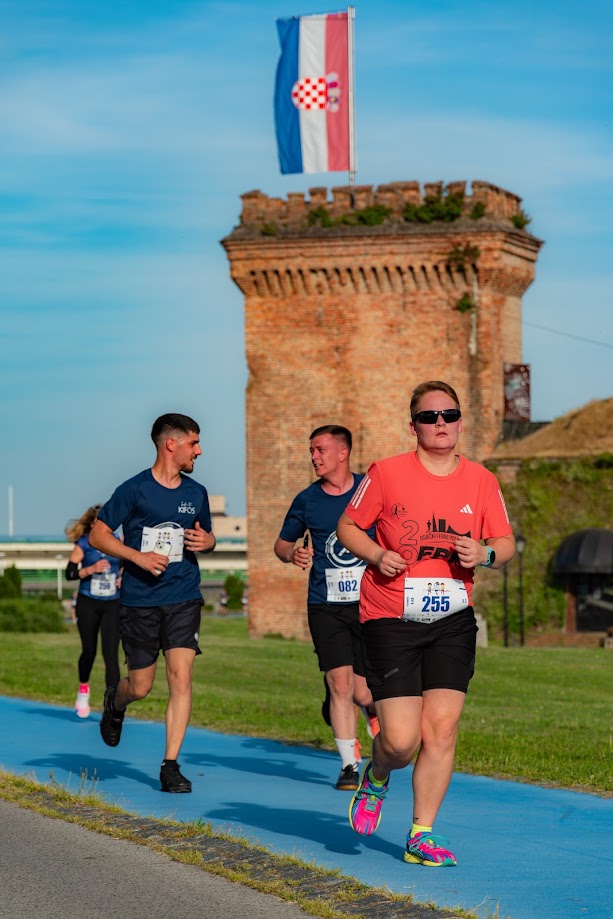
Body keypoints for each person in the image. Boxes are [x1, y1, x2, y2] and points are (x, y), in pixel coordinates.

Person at [337, 381, 515, 866]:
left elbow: (504, 542)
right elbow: (348, 526)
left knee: (442, 730)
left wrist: (485, 554)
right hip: (390, 617)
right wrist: (377, 555)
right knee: (400, 741)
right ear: (413, 425)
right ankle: (377, 775)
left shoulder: (481, 480)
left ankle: (421, 834)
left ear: (460, 422)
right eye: (429, 416)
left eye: (449, 415)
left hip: (451, 621)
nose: (440, 423)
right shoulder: (387, 472)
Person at [89, 413, 216, 794]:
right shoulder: (134, 489)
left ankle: (170, 766)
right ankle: (115, 702)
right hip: (140, 601)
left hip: (183, 596)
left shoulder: (196, 493)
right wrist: (137, 557)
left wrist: (208, 543)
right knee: (140, 686)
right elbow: (98, 535)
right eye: (194, 443)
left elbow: (207, 536)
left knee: (181, 676)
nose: (199, 451)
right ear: (171, 444)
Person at [274, 424, 380, 792]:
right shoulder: (307, 500)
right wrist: (293, 554)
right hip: (325, 604)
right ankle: (349, 766)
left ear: (342, 452)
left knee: (363, 693)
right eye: (312, 451)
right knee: (340, 684)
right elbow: (281, 545)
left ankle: (370, 709)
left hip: (370, 603)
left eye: (320, 450)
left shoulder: (370, 489)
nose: (314, 457)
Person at [65, 505, 121, 719]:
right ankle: (83, 689)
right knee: (89, 651)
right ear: (91, 523)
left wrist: (122, 576)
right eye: (100, 520)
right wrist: (91, 569)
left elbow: (126, 563)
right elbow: (70, 573)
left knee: (111, 654)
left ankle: (112, 703)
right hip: (88, 603)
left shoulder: (117, 540)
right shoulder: (84, 543)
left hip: (112, 603)